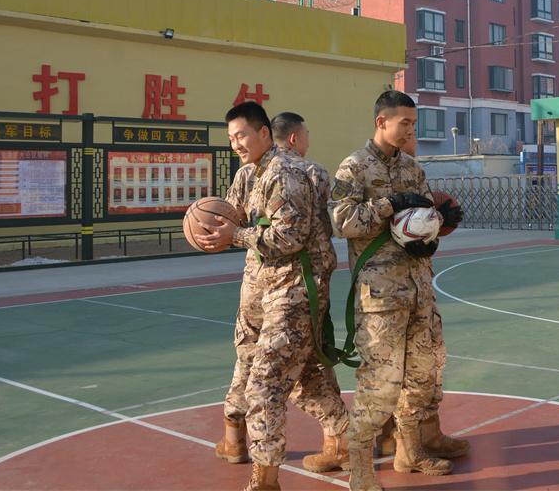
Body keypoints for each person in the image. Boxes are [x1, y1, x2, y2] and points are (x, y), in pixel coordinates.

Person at [328, 91, 464, 491]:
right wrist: (388, 204)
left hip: (419, 290)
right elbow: (343, 223)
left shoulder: (412, 168)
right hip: (381, 297)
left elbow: (421, 220)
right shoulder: (354, 166)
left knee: (422, 378)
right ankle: (360, 471)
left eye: (413, 124)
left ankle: (410, 452)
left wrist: (433, 234)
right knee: (380, 385)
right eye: (404, 123)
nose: (409, 130)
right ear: (381, 122)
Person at [199, 101, 322, 491]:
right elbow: (233, 213)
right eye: (231, 138)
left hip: (291, 287)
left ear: (264, 133)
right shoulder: (246, 174)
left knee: (265, 383)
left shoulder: (285, 174)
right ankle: (235, 439)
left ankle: (266, 478)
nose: (236, 144)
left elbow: (290, 236)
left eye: (242, 135)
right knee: (250, 361)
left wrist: (234, 235)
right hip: (258, 285)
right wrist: (209, 225)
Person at [270, 111, 350, 473]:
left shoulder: (257, 173)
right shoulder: (315, 171)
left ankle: (343, 435)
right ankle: (342, 437)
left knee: (280, 371)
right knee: (309, 361)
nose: (308, 140)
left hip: (287, 284)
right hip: (309, 280)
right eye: (306, 135)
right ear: (294, 138)